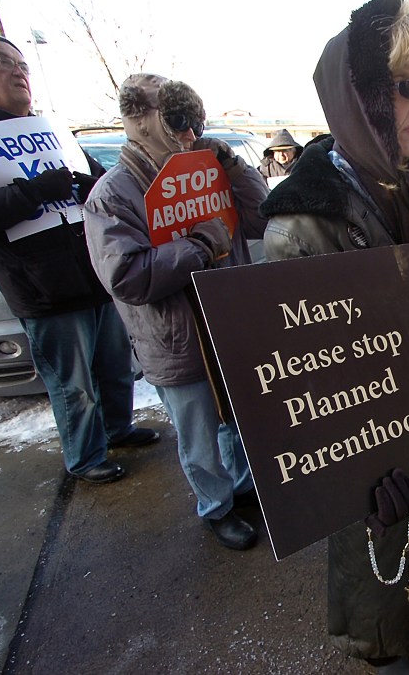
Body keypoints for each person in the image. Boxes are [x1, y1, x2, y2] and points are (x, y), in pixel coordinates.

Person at [260, 0, 409, 670]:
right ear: (358, 97)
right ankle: (384, 640)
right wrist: (346, 480)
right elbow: (295, 398)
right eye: (403, 87)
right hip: (372, 448)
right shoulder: (303, 226)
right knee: (381, 573)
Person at [0, 34, 159, 485]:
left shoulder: (49, 131)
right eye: (3, 62)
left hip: (94, 272)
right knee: (72, 383)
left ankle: (118, 429)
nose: (19, 71)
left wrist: (93, 185)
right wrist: (33, 192)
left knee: (113, 366)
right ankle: (85, 457)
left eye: (23, 63)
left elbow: (98, 183)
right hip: (42, 286)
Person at [83, 74, 270, 550]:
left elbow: (260, 216)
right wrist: (199, 246)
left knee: (239, 417)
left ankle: (245, 489)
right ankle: (217, 508)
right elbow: (127, 276)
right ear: (143, 120)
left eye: (194, 122)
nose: (189, 134)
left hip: (229, 323)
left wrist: (231, 166)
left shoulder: (207, 170)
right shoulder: (113, 194)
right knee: (199, 436)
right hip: (177, 339)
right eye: (178, 121)